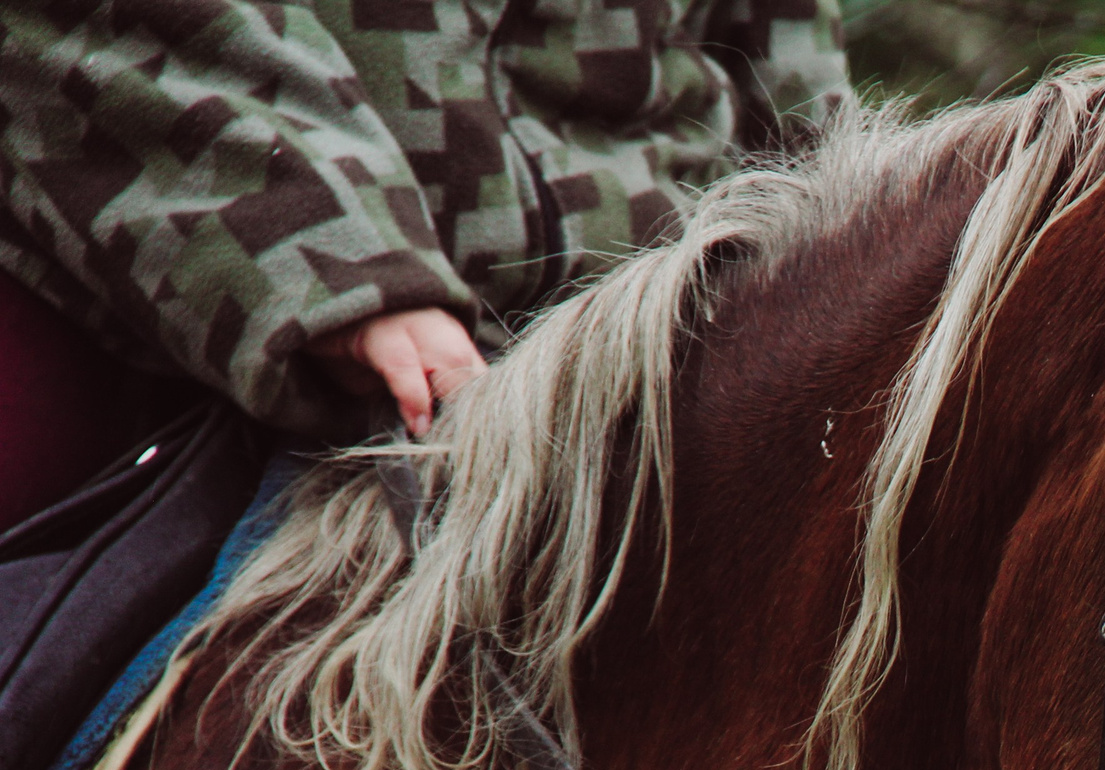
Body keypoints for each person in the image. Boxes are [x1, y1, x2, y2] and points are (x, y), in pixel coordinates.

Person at [0, 0, 850, 477]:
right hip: (228, 355)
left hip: (687, 344)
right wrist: (337, 263)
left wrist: (839, 265)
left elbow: (785, 52)